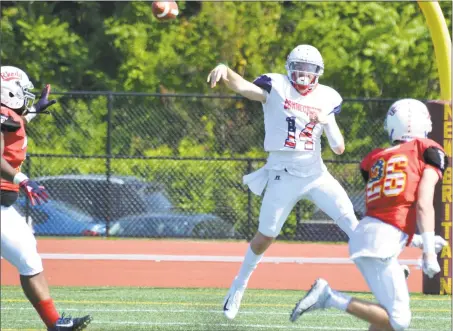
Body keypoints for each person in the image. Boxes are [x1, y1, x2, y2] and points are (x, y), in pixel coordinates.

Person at [207, 44, 363, 320]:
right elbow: (244, 88)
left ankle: (389, 268)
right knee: (265, 235)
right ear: (290, 67)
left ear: (318, 72)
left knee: (352, 223)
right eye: (299, 67)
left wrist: (327, 123)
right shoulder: (276, 86)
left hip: (316, 174)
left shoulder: (328, 97)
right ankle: (238, 286)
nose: (303, 73)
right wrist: (226, 71)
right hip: (282, 175)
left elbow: (339, 148)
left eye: (309, 68)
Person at [290, 98, 448, 331]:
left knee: (384, 319)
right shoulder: (426, 150)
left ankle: (330, 296)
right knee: (399, 320)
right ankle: (329, 297)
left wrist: (416, 241)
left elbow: (388, 211)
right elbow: (424, 203)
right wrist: (428, 252)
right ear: (424, 124)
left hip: (368, 233)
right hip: (380, 241)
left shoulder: (376, 158)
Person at [1, 66, 92, 330]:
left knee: (29, 259)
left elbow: (16, 125)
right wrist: (22, 179)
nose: (27, 96)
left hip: (3, 206)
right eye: (22, 92)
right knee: (28, 259)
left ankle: (55, 324)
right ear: (9, 91)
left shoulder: (8, 115)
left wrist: (34, 111)